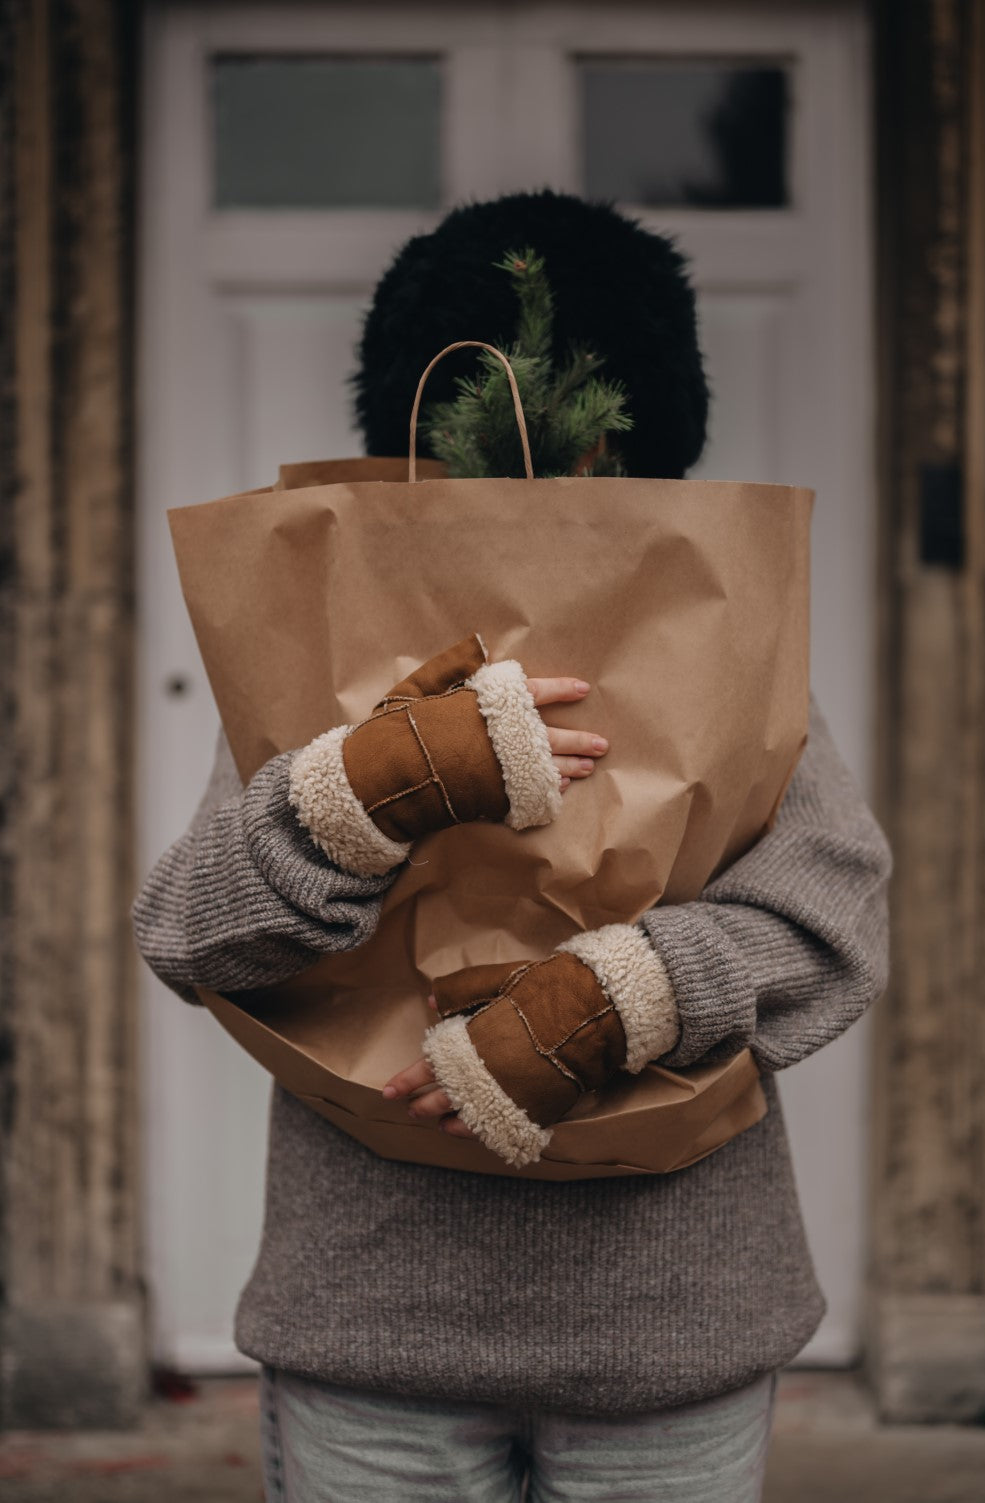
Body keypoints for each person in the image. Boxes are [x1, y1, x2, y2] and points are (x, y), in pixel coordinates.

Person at [132, 191, 892, 1502]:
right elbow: (186, 933)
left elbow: (835, 916)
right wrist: (359, 791)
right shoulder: (327, 649)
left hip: (675, 1331)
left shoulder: (721, 640)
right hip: (374, 1334)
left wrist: (626, 994)